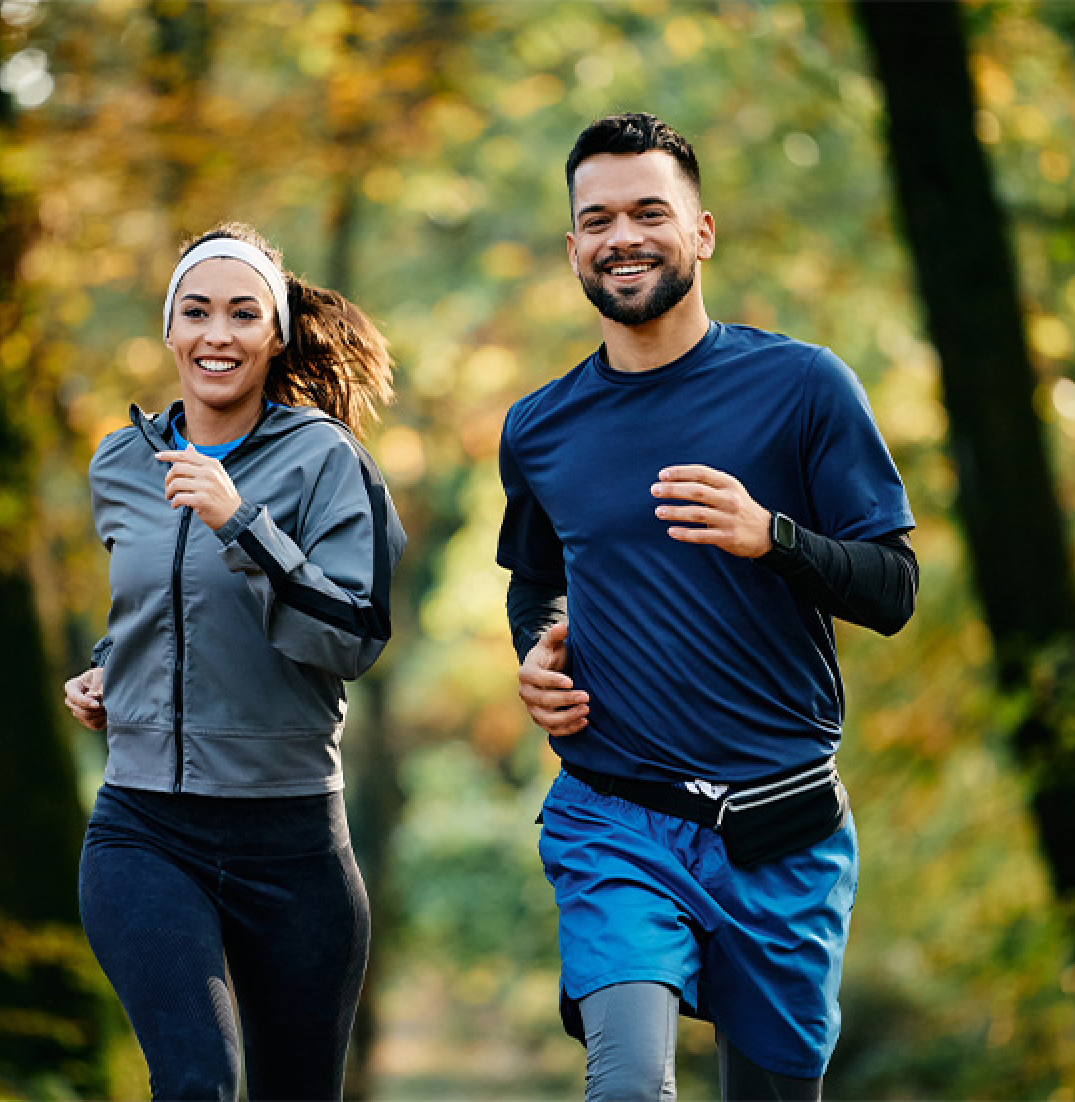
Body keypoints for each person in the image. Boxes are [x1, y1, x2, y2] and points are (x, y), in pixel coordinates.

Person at [497, 113, 917, 1101]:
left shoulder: (803, 387)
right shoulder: (541, 426)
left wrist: (771, 534)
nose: (622, 236)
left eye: (650, 210)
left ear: (703, 231)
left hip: (785, 829)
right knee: (630, 1080)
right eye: (597, 219)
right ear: (572, 249)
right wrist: (537, 651)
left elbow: (894, 590)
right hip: (616, 818)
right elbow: (534, 578)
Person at [63, 222, 405, 1101]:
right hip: (145, 826)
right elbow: (150, 607)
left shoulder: (328, 461)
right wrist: (114, 671)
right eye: (198, 312)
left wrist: (240, 521)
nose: (219, 334)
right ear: (169, 329)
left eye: (244, 314)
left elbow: (354, 635)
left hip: (291, 840)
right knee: (196, 1083)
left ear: (277, 333)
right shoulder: (119, 462)